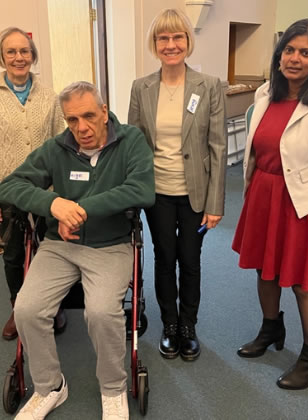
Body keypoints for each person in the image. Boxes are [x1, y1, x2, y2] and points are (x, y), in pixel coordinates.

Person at [0, 81, 155, 420]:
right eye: (71, 120)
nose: (81, 128)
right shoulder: (56, 148)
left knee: (101, 312)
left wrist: (79, 209)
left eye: (88, 116)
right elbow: (9, 185)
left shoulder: (131, 141)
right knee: (26, 309)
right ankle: (49, 386)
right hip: (60, 246)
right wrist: (53, 204)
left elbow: (141, 190)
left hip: (110, 246)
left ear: (103, 111)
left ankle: (113, 389)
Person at [232, 19, 308, 390]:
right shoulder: (267, 92)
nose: (295, 58)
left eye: (305, 52)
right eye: (289, 50)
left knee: (303, 283)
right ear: (279, 54)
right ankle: (271, 328)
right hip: (264, 196)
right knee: (264, 271)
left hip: (303, 204)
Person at [128, 8, 226, 362]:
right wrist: (133, 194)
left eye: (177, 37)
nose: (171, 45)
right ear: (155, 45)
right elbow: (135, 144)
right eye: (163, 38)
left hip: (195, 193)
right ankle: (169, 325)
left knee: (191, 259)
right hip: (158, 193)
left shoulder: (209, 86)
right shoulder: (142, 87)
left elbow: (217, 145)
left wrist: (215, 203)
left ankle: (189, 326)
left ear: (188, 41)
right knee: (164, 258)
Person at [0, 27, 67, 340]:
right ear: (2, 57)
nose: (18, 58)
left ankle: (53, 306)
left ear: (33, 55)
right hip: (8, 192)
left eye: (24, 51)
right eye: (11, 52)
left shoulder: (50, 96)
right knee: (13, 253)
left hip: (45, 191)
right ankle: (17, 308)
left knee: (52, 250)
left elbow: (60, 144)